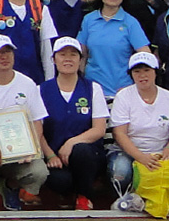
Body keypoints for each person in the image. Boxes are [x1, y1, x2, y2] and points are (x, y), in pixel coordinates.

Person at [0, 34, 53, 211]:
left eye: (8, 52)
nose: (4, 56)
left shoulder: (27, 83)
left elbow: (37, 121)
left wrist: (31, 147)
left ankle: (10, 186)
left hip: (19, 150)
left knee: (39, 172)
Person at [105, 51, 169, 218]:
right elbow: (120, 134)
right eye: (137, 71)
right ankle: (132, 197)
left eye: (147, 70)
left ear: (155, 72)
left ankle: (140, 199)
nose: (142, 75)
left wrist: (167, 151)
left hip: (160, 153)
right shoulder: (123, 96)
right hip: (128, 152)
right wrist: (141, 157)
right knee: (120, 173)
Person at [37, 38, 108, 211]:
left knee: (81, 151)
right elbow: (36, 130)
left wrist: (71, 143)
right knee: (60, 181)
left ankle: (84, 196)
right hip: (55, 157)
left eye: (73, 54)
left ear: (80, 59)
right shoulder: (41, 90)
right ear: (54, 59)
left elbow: (99, 129)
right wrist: (50, 155)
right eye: (62, 54)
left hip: (88, 155)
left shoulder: (93, 88)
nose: (67, 59)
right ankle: (68, 193)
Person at [81, 0, 152, 98]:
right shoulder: (88, 20)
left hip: (122, 93)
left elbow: (146, 56)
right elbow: (82, 55)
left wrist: (135, 86)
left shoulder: (130, 22)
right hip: (92, 91)